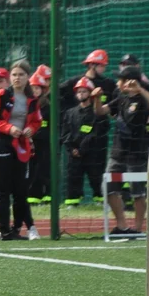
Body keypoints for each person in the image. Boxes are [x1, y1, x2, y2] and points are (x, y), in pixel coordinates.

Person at [0, 60, 42, 241]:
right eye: (14, 75)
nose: (17, 78)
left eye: (21, 75)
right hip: (1, 143)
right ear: (10, 77)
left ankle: (16, 229)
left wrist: (31, 128)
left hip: (21, 146)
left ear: (28, 77)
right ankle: (4, 231)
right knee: (2, 190)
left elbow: (37, 120)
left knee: (21, 190)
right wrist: (8, 129)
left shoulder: (32, 100)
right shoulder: (0, 96)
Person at [100, 65, 149, 235]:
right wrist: (96, 99)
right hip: (118, 152)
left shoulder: (143, 99)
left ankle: (139, 229)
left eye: (121, 79)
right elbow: (100, 111)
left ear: (129, 82)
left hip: (137, 153)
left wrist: (140, 89)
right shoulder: (120, 98)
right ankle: (122, 226)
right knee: (109, 188)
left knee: (138, 192)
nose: (118, 82)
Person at [62, 76, 109, 208]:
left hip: (93, 154)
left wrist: (82, 149)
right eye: (78, 91)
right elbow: (65, 133)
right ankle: (72, 202)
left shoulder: (98, 112)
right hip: (74, 154)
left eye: (84, 91)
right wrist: (71, 149)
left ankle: (100, 200)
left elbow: (98, 132)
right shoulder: (70, 113)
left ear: (90, 93)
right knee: (73, 177)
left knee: (96, 177)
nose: (81, 94)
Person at [26, 67, 52, 206]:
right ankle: (33, 196)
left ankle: (48, 197)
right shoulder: (26, 106)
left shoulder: (48, 106)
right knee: (32, 169)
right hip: (30, 143)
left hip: (45, 143)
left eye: (38, 88)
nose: (35, 91)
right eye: (33, 88)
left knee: (45, 168)